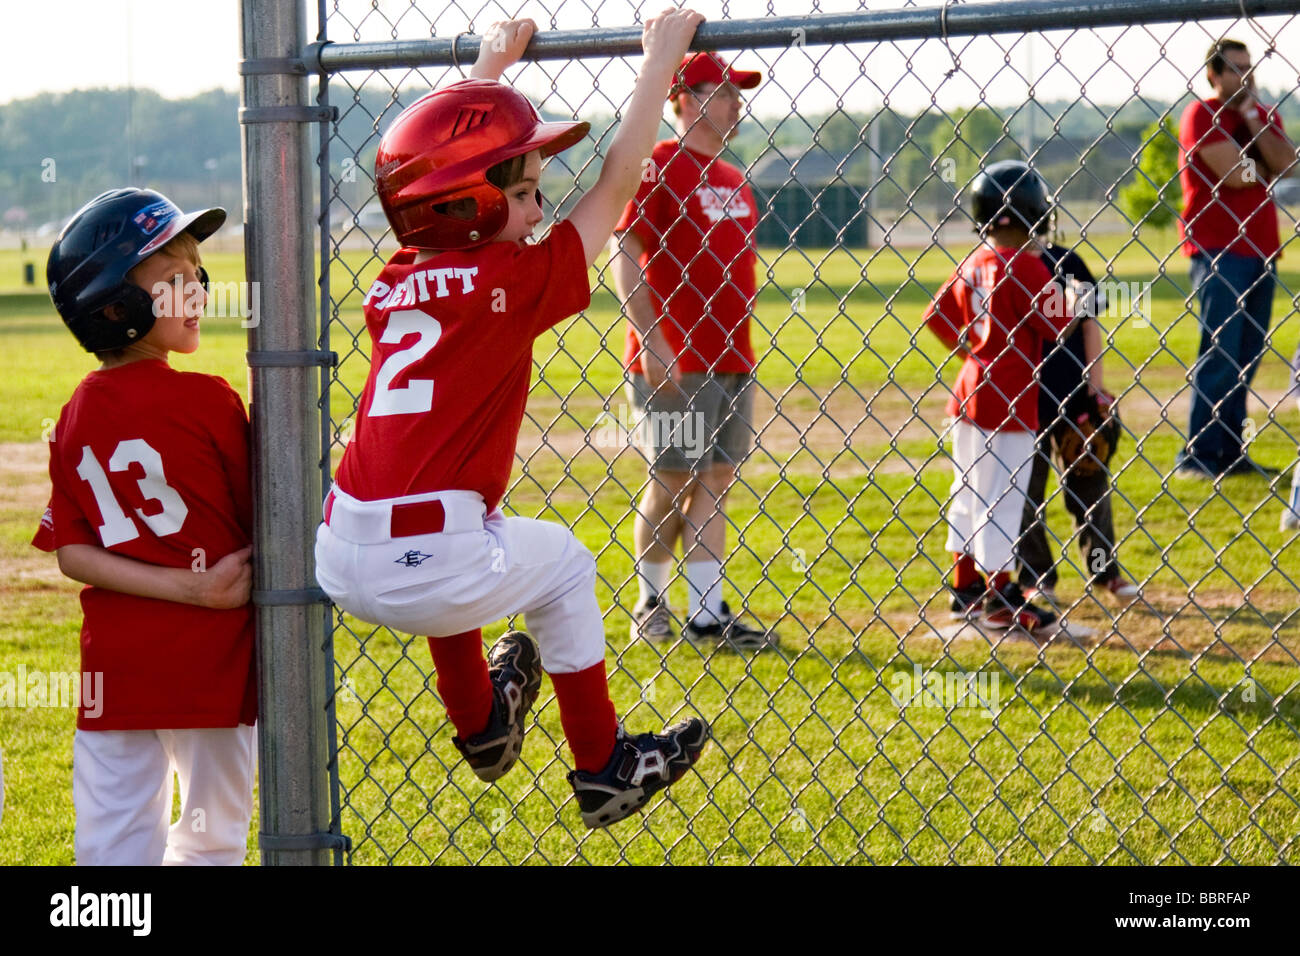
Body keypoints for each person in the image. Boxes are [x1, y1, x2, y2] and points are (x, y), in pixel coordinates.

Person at [312, 14, 709, 830]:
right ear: (464, 202)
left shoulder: (392, 283)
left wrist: (490, 71)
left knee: (476, 527)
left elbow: (435, 171)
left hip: (342, 552)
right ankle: (604, 765)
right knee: (562, 566)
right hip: (429, 557)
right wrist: (660, 61)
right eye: (523, 192)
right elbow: (620, 178)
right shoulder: (510, 281)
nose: (537, 210)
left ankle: (483, 726)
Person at [33, 188, 257, 865]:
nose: (198, 292)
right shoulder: (210, 400)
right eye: (174, 281)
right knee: (209, 843)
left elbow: (72, 552)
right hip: (211, 669)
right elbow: (263, 524)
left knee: (111, 847)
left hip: (117, 672)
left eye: (198, 276)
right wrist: (197, 591)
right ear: (116, 307)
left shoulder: (75, 412)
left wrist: (179, 585)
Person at [610, 50, 777, 651]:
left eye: (738, 91)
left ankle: (707, 614)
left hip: (734, 355)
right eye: (723, 90)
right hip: (678, 360)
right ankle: (651, 602)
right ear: (682, 98)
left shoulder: (734, 178)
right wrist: (651, 339)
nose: (737, 101)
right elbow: (626, 251)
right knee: (675, 477)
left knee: (717, 480)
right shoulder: (656, 166)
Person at [923, 160, 1078, 638]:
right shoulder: (1029, 265)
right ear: (1033, 214)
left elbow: (935, 316)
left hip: (970, 389)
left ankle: (965, 585)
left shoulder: (972, 261)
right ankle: (999, 594)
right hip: (1009, 399)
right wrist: (1071, 296)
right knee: (1004, 497)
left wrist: (969, 345)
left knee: (968, 489)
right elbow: (1058, 325)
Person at [1175, 38, 1297, 480]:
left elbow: (1286, 163)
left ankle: (1231, 452)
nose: (1246, 75)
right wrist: (1260, 166)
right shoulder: (1201, 114)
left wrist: (1252, 121)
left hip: (1262, 251)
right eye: (1235, 68)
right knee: (1219, 353)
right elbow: (1238, 175)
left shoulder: (1261, 116)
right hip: (1218, 251)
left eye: (1250, 67)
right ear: (1214, 74)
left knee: (1247, 355)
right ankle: (1198, 456)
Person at [1017, 237, 1141, 607]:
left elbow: (1089, 327)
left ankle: (1105, 573)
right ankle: (1036, 578)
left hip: (1073, 394)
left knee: (1090, 485)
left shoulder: (1066, 261)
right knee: (1025, 493)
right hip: (1022, 400)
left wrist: (1095, 391)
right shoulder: (1000, 267)